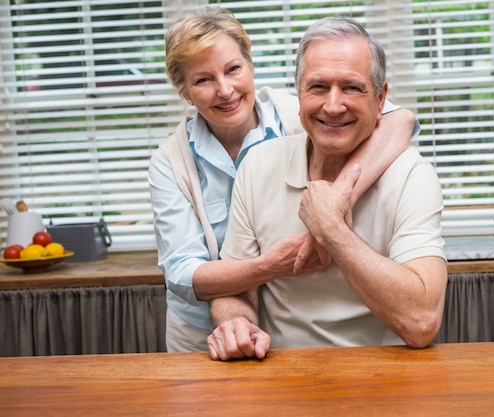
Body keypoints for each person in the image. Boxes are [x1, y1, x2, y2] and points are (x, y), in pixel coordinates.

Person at [148, 7, 418, 352]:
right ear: (184, 91)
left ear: (250, 65)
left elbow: (399, 120)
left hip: (289, 330)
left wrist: (338, 198)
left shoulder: (305, 112)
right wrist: (268, 267)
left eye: (234, 69)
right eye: (203, 80)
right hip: (205, 334)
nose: (225, 89)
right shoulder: (170, 162)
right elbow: (182, 273)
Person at [206, 17, 448, 361]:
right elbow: (237, 287)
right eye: (318, 87)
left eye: (352, 87)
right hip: (278, 374)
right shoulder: (258, 164)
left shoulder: (412, 175)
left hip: (383, 378)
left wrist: (331, 228)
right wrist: (237, 324)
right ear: (299, 93)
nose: (333, 106)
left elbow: (422, 322)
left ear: (381, 99)